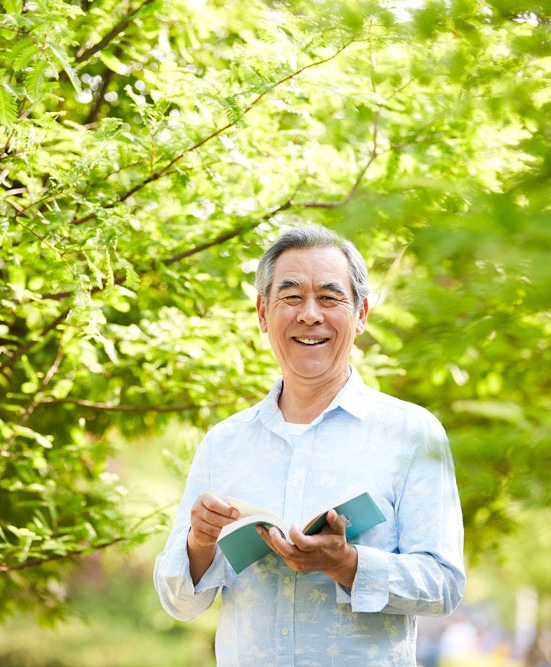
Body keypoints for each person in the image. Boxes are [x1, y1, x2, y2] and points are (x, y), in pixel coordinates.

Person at [153, 225, 465, 666]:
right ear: (263, 313)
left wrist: (347, 564)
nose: (310, 314)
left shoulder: (412, 433)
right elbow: (178, 601)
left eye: (330, 297)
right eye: (292, 297)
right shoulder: (224, 443)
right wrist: (199, 542)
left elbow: (444, 585)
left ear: (361, 314)